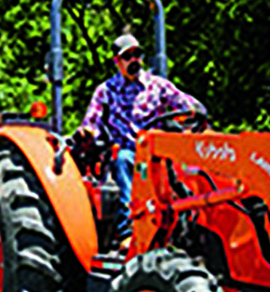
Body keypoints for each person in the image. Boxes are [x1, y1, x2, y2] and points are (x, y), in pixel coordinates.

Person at [76, 30, 205, 248]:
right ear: (118, 61)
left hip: (160, 151)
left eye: (137, 55)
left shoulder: (158, 86)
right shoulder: (106, 91)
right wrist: (87, 132)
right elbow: (92, 122)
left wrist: (196, 111)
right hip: (127, 150)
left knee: (192, 166)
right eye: (128, 57)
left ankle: (194, 228)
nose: (134, 60)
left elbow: (185, 102)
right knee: (125, 161)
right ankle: (129, 229)